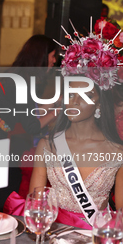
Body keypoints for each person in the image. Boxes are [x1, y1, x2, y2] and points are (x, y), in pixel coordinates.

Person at [27, 24, 123, 229]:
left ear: (99, 102)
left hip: (97, 234)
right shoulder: (48, 145)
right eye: (70, 93)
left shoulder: (118, 150)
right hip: (52, 232)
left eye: (85, 95)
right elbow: (36, 204)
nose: (74, 101)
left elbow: (122, 214)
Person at [0, 34, 59, 211]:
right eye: (53, 55)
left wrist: (55, 102)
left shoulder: (18, 75)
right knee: (3, 185)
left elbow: (28, 113)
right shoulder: (23, 82)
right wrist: (57, 112)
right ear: (42, 57)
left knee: (0, 185)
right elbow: (32, 126)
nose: (55, 61)